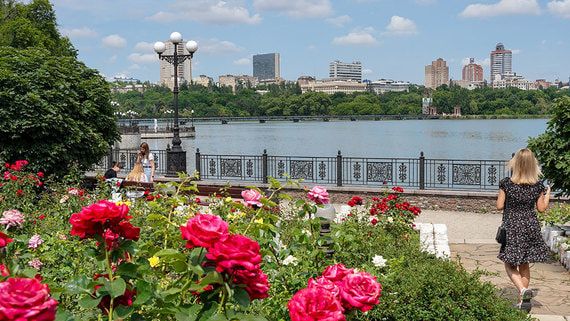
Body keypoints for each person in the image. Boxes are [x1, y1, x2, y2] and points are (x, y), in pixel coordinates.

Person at [496, 148, 551, 312]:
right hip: (530, 226)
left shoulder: (506, 183)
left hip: (512, 227)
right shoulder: (537, 186)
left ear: (516, 163)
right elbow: (541, 208)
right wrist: (548, 195)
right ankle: (523, 302)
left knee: (509, 263)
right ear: (532, 165)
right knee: (524, 263)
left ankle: (522, 291)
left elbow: (499, 206)